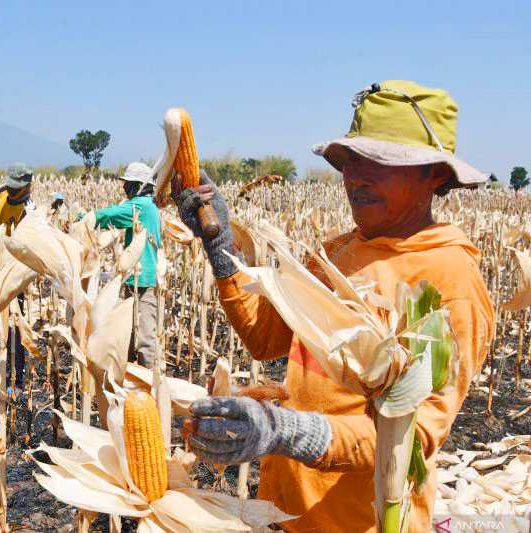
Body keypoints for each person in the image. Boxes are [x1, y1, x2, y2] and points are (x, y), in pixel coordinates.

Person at [175, 80, 494, 532]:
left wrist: (284, 431)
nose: (357, 177)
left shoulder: (448, 278)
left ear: (436, 175)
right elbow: (265, 339)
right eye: (351, 161)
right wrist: (220, 244)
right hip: (284, 512)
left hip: (363, 521)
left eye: (380, 163)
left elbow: (414, 436)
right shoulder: (339, 251)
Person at [94, 162, 162, 369]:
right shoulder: (147, 206)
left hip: (143, 280)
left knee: (144, 340)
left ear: (138, 186)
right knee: (129, 337)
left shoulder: (141, 205)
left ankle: (150, 388)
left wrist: (85, 219)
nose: (124, 188)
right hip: (135, 279)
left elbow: (109, 216)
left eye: (128, 184)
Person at [0, 163, 34, 396]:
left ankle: (16, 379)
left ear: (28, 186)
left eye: (17, 189)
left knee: (13, 325)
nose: (12, 192)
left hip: (15, 274)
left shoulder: (30, 210)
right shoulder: (2, 194)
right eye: (11, 187)